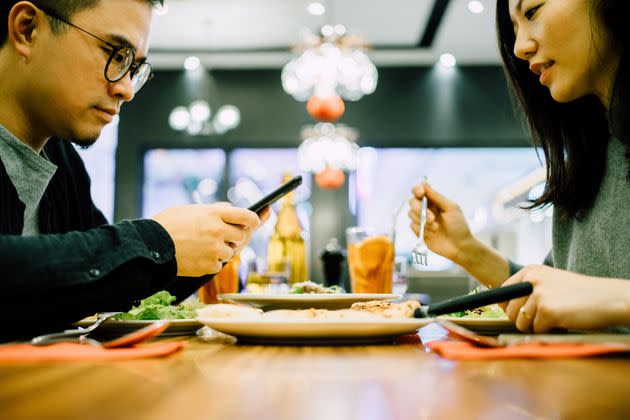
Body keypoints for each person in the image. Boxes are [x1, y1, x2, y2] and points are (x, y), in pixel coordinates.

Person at [0, 0, 268, 341]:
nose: (125, 89)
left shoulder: (64, 164)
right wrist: (155, 242)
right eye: (114, 53)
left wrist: (205, 247)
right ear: (27, 29)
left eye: (133, 68)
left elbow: (104, 285)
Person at [409, 0, 630, 333]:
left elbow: (586, 296)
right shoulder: (592, 158)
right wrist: (465, 249)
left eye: (532, 11)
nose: (520, 48)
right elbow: (547, 295)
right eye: (513, 29)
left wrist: (614, 300)